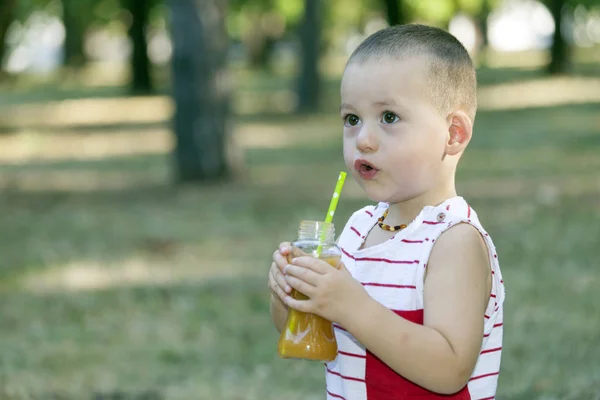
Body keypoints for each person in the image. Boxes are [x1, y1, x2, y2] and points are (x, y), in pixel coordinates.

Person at [268, 23, 505, 400]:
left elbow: (450, 370)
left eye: (389, 117)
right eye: (351, 119)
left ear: (453, 134)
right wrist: (291, 294)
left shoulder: (454, 241)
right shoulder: (358, 229)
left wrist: (350, 306)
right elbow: (309, 336)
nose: (363, 138)